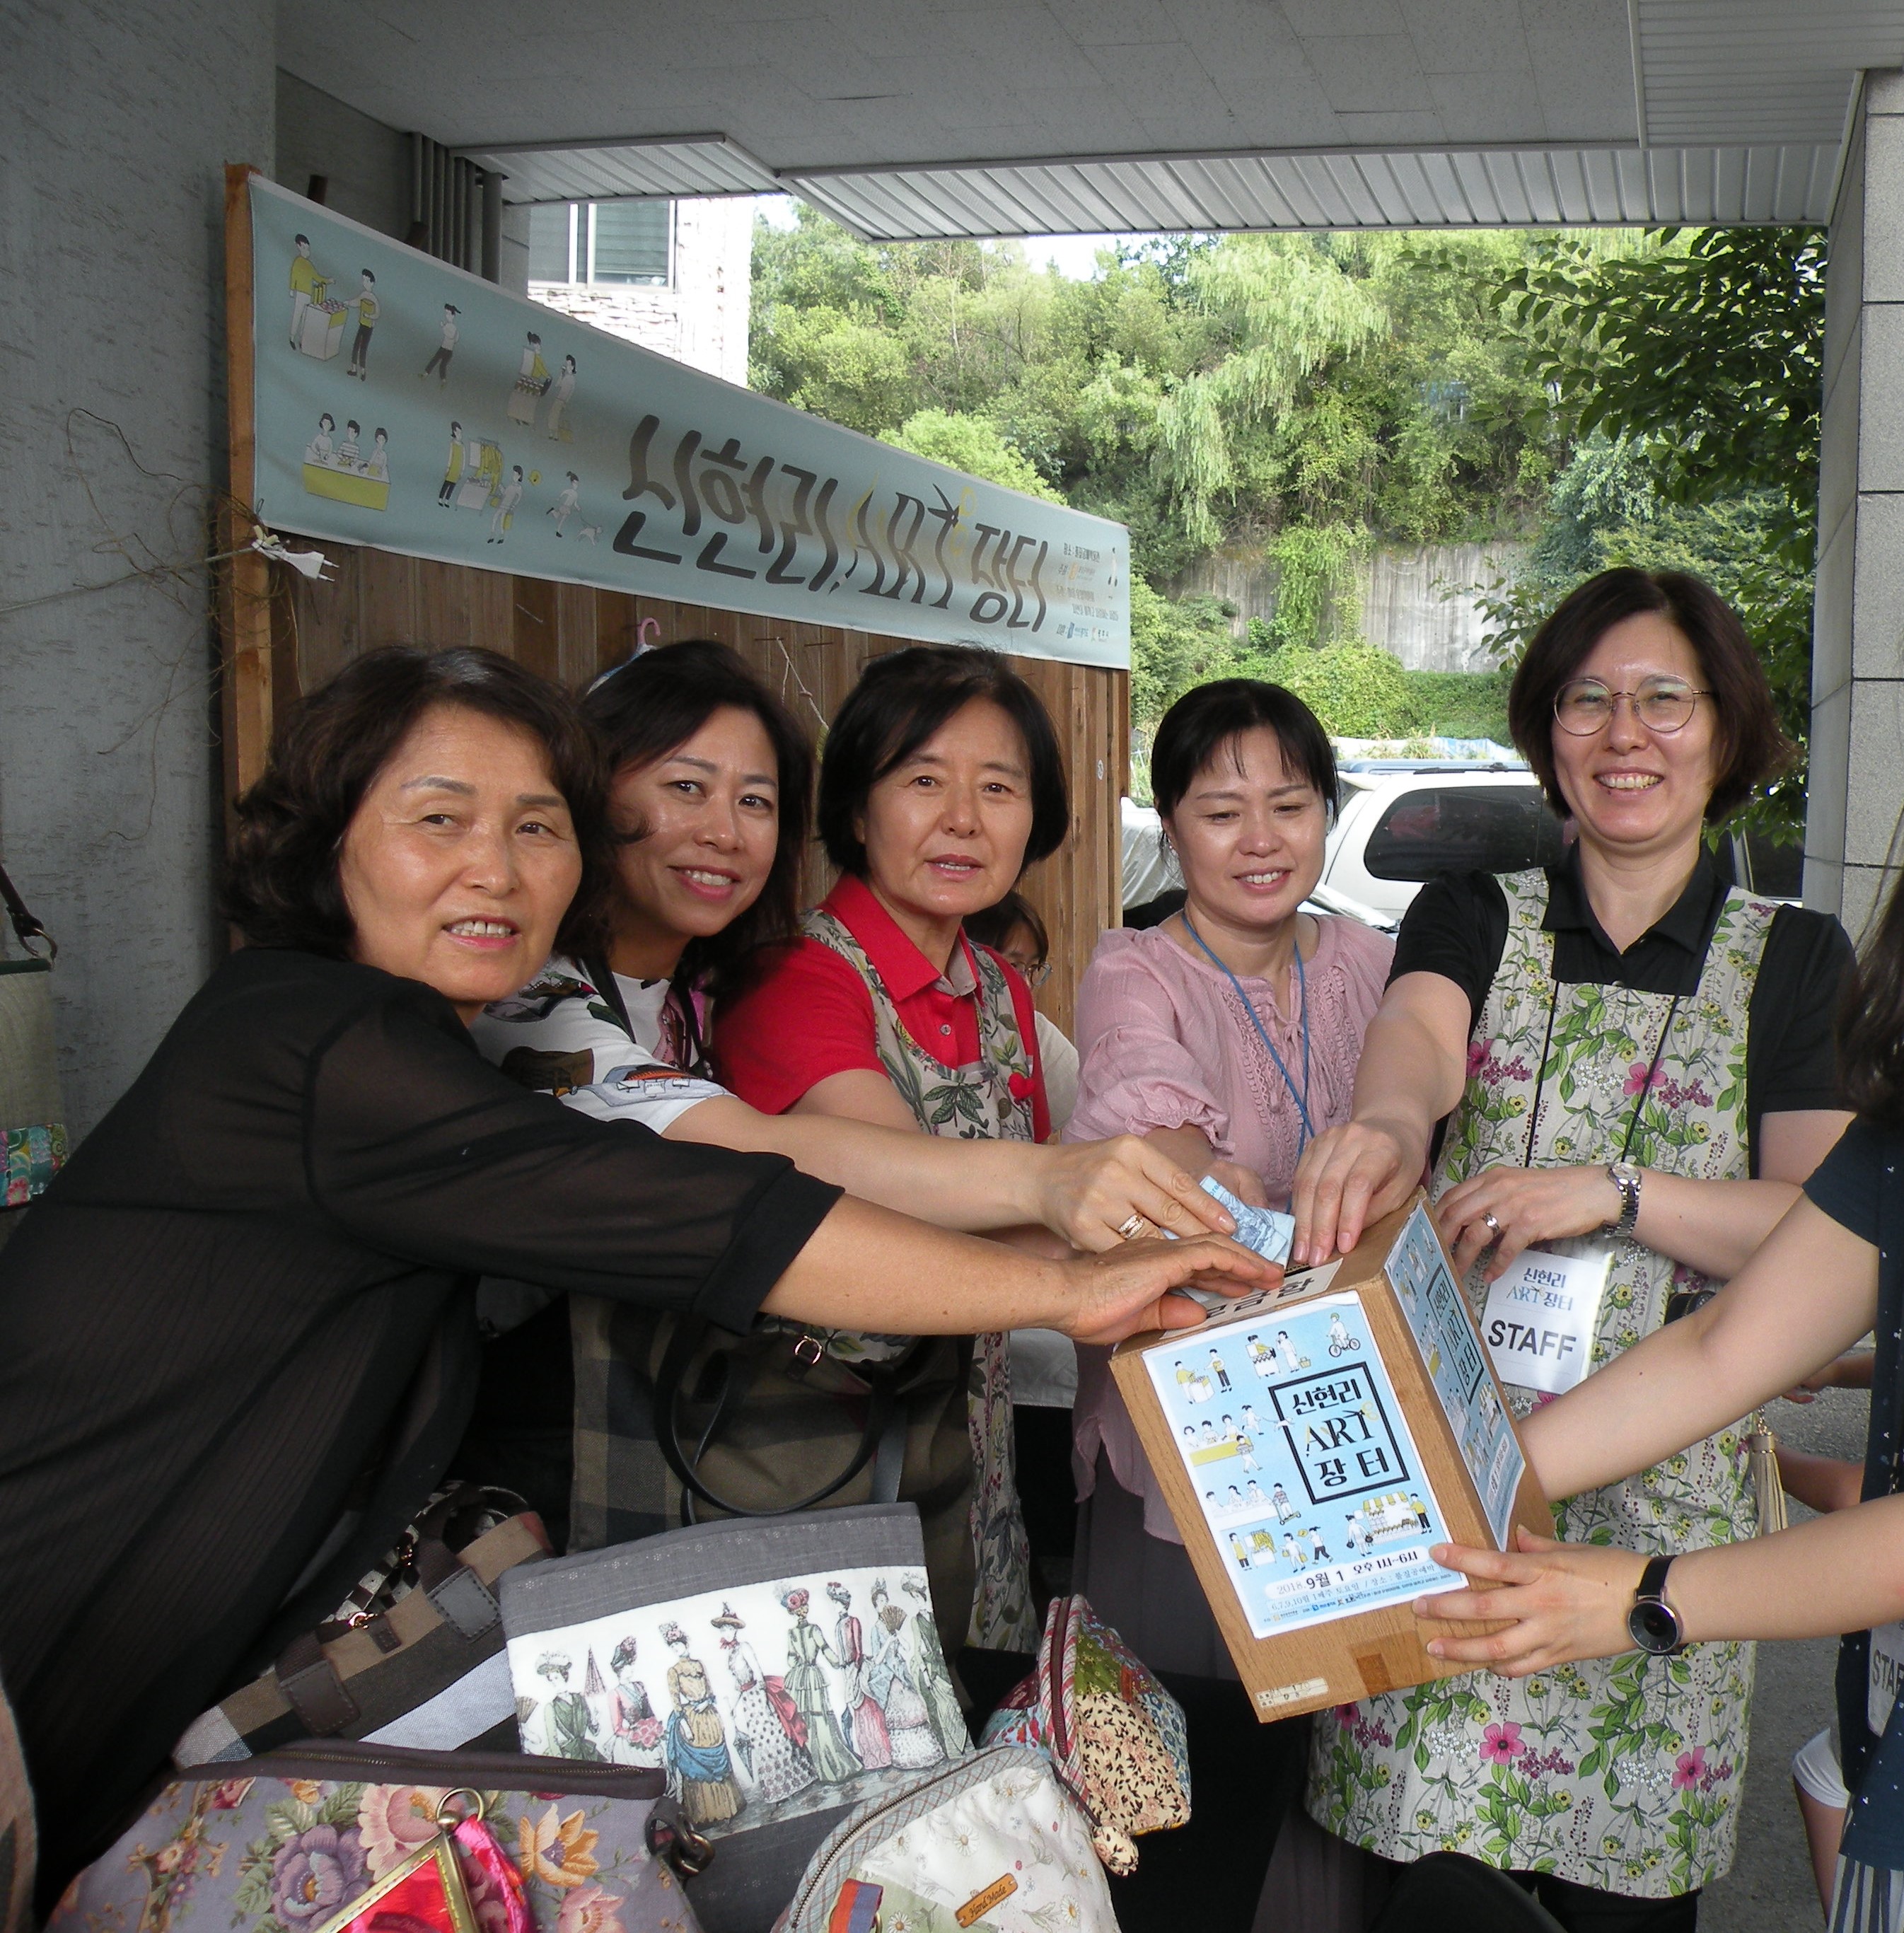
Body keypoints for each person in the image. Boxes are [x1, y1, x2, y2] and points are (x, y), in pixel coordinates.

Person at [0, 645, 1269, 1908]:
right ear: (328, 837)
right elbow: (723, 1203)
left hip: (171, 1633)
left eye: (535, 826)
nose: (495, 868)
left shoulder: (514, 1015)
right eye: (439, 819)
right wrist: (1062, 1272)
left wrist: (1089, 1228)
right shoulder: (334, 1042)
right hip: (55, 1608)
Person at [1290, 568, 1856, 1927]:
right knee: (1424, 1886)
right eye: (1586, 700)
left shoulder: (1791, 957)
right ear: (1546, 732)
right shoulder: (1472, 909)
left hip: (1674, 1500)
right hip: (1454, 1474)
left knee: (1621, 1900)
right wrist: (1385, 1122)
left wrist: (1612, 1191)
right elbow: (1417, 1042)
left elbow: (1816, 1224)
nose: (1624, 733)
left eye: (1665, 698)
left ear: (1725, 729)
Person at [464, 641, 1240, 1567]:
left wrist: (1186, 1209)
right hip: (709, 1458)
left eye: (755, 801)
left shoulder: (702, 988)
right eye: (685, 788)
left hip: (954, 1446)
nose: (723, 832)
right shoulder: (566, 1005)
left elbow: (1102, 1122)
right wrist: (1075, 1217)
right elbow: (789, 1154)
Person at [1411, 855, 1904, 1932]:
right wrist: (1461, 1494)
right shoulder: (1890, 1144)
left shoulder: (1786, 953)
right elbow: (1722, 1349)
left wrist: (1649, 1597)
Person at [714, 645, 1076, 1654]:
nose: (964, 818)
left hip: (976, 1449)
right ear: (857, 808)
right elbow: (896, 1192)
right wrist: (1117, 1244)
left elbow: (1027, 1209)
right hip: (829, 1453)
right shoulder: (797, 977)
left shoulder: (1000, 987)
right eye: (923, 780)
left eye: (998, 787)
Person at [965, 890, 1078, 1131]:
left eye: (1032, 968)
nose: (1025, 984)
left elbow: (1086, 1107)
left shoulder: (1037, 1031)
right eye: (1013, 966)